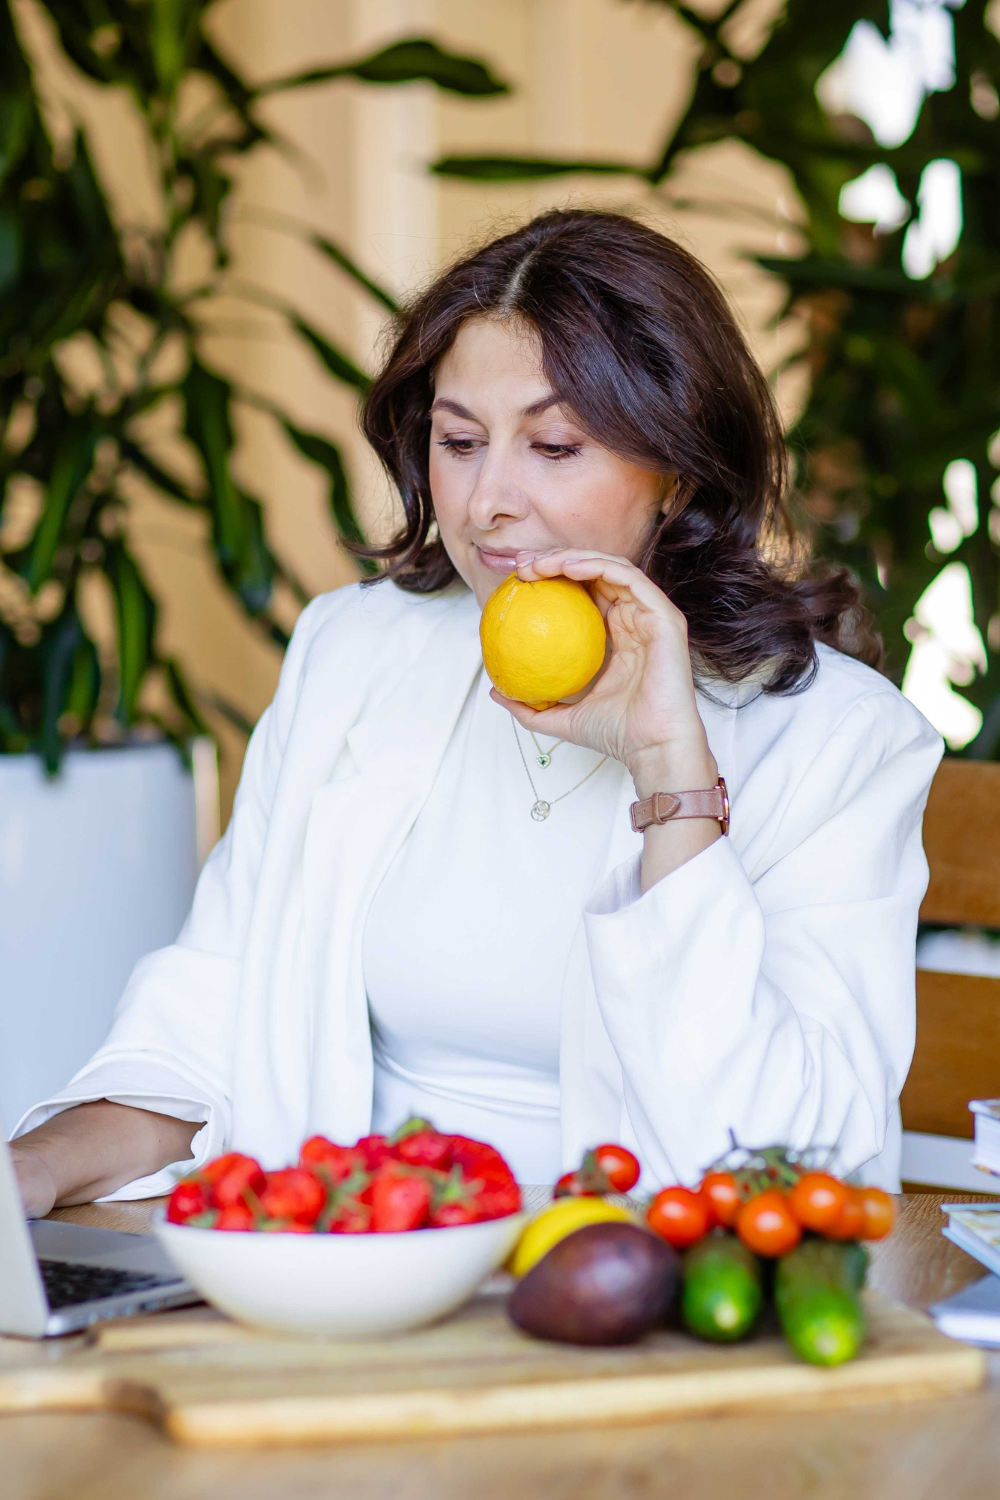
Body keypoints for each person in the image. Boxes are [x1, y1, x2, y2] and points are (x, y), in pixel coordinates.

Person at [11, 209, 942, 1216]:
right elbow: (207, 1026)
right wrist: (38, 1167)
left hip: (633, 1305)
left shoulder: (842, 740)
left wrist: (672, 778)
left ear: (673, 473)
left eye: (551, 445)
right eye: (459, 441)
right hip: (358, 1285)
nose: (486, 499)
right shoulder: (353, 654)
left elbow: (795, 1163)